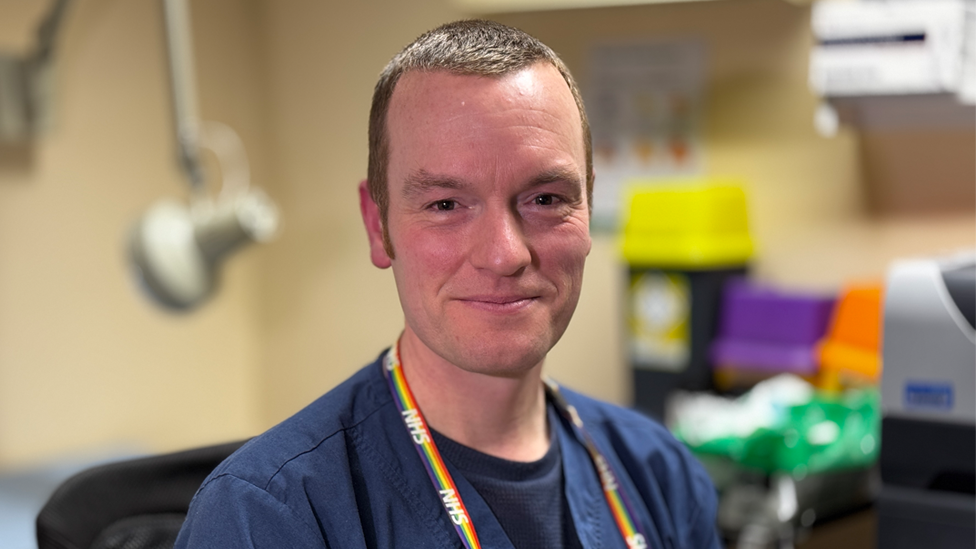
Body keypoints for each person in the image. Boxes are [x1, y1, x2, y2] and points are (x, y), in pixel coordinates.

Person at [175, 19, 720, 549]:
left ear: (589, 206)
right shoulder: (270, 515)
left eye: (546, 199)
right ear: (377, 224)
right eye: (445, 204)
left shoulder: (660, 475)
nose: (505, 254)